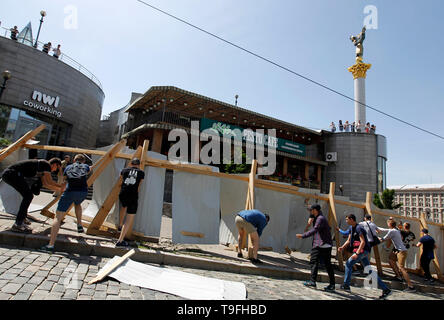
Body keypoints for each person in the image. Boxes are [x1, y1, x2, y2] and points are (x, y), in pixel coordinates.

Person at [40, 154, 92, 253]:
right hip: (82, 192)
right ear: (83, 161)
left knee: (58, 217)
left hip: (70, 191)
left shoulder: (68, 167)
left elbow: (65, 179)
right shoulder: (85, 166)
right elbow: (89, 169)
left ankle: (50, 245)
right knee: (77, 204)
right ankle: (79, 224)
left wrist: (61, 190)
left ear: (74, 160)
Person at [1, 158, 63, 233]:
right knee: (28, 196)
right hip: (12, 173)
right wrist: (61, 186)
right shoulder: (46, 164)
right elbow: (50, 182)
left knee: (28, 196)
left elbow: (46, 184)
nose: (54, 171)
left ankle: (22, 219)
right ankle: (18, 224)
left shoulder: (42, 168)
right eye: (57, 168)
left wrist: (60, 189)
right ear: (55, 164)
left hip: (10, 174)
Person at [338, 214, 391, 299]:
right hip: (361, 251)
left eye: (347, 219)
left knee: (348, 264)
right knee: (369, 270)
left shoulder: (359, 228)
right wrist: (342, 247)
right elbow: (348, 240)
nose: (346, 221)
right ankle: (385, 289)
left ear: (351, 219)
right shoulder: (351, 228)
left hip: (363, 251)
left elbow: (363, 242)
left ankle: (346, 285)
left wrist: (357, 253)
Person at [296, 204, 335, 292]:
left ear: (315, 210)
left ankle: (313, 281)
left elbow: (315, 230)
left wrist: (303, 235)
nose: (310, 212)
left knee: (314, 262)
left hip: (321, 244)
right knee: (327, 265)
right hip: (325, 244)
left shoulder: (320, 218)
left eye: (311, 210)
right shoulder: (320, 218)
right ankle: (332, 284)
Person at [378, 219, 416, 292]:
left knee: (401, 268)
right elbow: (385, 230)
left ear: (389, 224)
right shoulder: (397, 230)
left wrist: (377, 238)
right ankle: (398, 276)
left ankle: (411, 286)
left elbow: (383, 239)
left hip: (401, 250)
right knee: (391, 259)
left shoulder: (394, 231)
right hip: (398, 250)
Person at [115, 158, 146, 247]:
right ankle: (120, 241)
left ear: (131, 164)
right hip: (133, 195)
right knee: (129, 218)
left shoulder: (124, 170)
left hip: (123, 192)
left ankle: (120, 225)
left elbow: (120, 181)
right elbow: (139, 185)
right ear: (139, 165)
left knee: (123, 207)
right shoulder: (141, 173)